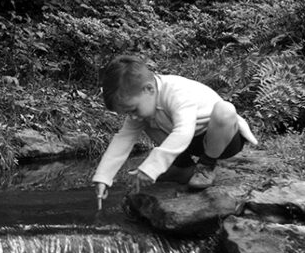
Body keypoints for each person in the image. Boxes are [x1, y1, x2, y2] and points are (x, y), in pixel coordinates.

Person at [92, 55, 258, 207]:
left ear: (149, 89)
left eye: (133, 109)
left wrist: (152, 167)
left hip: (223, 139)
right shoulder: (145, 105)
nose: (132, 117)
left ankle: (206, 166)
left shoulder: (177, 92)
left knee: (225, 110)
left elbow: (183, 131)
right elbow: (123, 139)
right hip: (192, 142)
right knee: (146, 120)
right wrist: (103, 178)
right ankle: (182, 168)